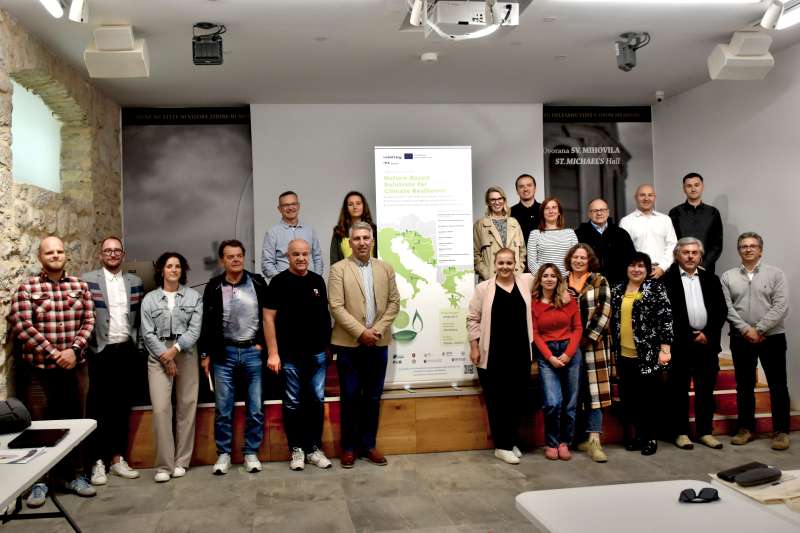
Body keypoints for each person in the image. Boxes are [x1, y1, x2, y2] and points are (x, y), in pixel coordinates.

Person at [10, 235, 96, 504]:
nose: (55, 255)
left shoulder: (80, 286)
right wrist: (54, 353)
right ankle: (40, 482)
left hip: (76, 368)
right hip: (39, 371)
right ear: (40, 258)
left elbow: (89, 320)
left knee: (77, 422)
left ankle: (76, 475)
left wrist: (74, 351)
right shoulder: (27, 288)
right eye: (50, 252)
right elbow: (22, 325)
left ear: (65, 255)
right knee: (39, 426)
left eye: (59, 251)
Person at [329, 222, 400, 468]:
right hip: (348, 345)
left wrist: (376, 331)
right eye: (357, 238)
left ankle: (368, 445)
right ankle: (349, 448)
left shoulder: (385, 268)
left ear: (372, 241)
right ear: (350, 242)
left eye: (365, 238)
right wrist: (361, 333)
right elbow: (336, 306)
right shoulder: (339, 269)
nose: (361, 242)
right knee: (350, 397)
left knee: (372, 397)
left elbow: (394, 302)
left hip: (378, 343)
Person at [198, 240, 268, 475]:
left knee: (255, 407)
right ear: (222, 261)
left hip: (252, 352)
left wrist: (262, 344)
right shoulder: (214, 286)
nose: (236, 259)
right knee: (224, 408)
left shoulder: (258, 282)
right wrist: (205, 354)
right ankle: (224, 454)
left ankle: (251, 453)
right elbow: (207, 323)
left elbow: (269, 317)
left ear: (243, 257)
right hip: (224, 354)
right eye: (230, 256)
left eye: (239, 255)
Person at [265, 239, 333, 471]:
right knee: (293, 403)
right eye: (296, 254)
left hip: (317, 355)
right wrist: (273, 353)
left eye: (305, 254)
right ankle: (297, 449)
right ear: (288, 256)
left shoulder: (317, 281)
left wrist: (327, 347)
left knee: (316, 401)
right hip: (290, 355)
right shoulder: (278, 282)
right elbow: (268, 319)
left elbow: (324, 316)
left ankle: (313, 449)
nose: (301, 258)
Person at [721, 232, 791, 450]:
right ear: (739, 250)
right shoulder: (728, 276)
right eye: (744, 246)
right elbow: (726, 308)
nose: (748, 249)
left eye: (753, 246)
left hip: (772, 337)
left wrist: (759, 329)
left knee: (778, 385)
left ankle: (781, 431)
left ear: (760, 250)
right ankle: (746, 429)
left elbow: (781, 306)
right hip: (740, 338)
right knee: (744, 385)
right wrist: (745, 330)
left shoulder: (775, 274)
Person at [83, 236, 143, 485]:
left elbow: (138, 318)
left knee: (122, 406)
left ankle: (118, 459)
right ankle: (98, 461)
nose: (113, 254)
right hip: (100, 351)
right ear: (101, 254)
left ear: (123, 254)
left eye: (117, 250)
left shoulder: (135, 282)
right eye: (108, 250)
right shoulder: (87, 280)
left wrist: (138, 345)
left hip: (126, 350)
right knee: (98, 407)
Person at [467, 248, 535, 465]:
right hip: (493, 354)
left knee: (517, 400)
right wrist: (474, 347)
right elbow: (472, 318)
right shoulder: (483, 288)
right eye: (501, 263)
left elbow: (550, 284)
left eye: (509, 263)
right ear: (494, 265)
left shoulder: (527, 282)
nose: (505, 267)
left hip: (520, 353)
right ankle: (501, 446)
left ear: (515, 264)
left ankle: (510, 440)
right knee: (497, 401)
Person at [140, 252, 203, 483]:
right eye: (169, 266)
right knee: (161, 409)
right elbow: (147, 333)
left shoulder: (194, 297)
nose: (173, 270)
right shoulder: (149, 299)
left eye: (177, 266)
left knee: (187, 406)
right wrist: (165, 357)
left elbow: (195, 330)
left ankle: (181, 462)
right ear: (161, 270)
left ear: (182, 270)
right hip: (158, 355)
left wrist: (175, 350)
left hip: (185, 353)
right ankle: (164, 465)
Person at [663, 237, 727, 451]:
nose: (690, 256)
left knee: (705, 390)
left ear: (700, 256)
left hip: (706, 345)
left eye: (694, 252)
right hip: (680, 345)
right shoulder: (666, 280)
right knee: (678, 391)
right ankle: (680, 432)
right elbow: (665, 314)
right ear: (677, 255)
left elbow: (721, 310)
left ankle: (705, 432)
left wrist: (707, 334)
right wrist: (687, 336)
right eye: (685, 252)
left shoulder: (711, 279)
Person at [610, 252, 674, 456]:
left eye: (641, 266)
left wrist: (665, 349)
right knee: (630, 398)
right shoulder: (617, 289)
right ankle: (637, 436)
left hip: (648, 354)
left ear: (647, 270)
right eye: (632, 265)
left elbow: (666, 318)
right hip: (623, 355)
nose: (636, 269)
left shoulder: (655, 288)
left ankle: (650, 437)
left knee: (649, 398)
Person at [564, 244, 612, 463]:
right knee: (574, 391)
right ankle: (574, 439)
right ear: (570, 259)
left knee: (595, 393)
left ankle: (594, 441)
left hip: (594, 344)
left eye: (583, 258)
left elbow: (605, 312)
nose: (579, 261)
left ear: (589, 260)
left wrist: (586, 337)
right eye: (575, 257)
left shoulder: (600, 281)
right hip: (568, 346)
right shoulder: (562, 281)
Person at [531, 263, 583, 461]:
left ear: (558, 279)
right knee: (553, 402)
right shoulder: (533, 303)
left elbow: (577, 328)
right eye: (545, 275)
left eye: (553, 275)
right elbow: (535, 333)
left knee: (570, 403)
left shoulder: (568, 300)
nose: (549, 279)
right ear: (540, 279)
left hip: (570, 352)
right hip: (547, 354)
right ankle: (551, 443)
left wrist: (568, 354)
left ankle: (564, 443)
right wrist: (549, 357)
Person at [261, 190, 324, 282]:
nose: (290, 208)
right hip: (284, 285)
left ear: (298, 206)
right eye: (286, 205)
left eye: (293, 204)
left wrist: (315, 280)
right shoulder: (272, 233)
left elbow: (317, 258)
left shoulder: (310, 231)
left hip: (309, 283)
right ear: (279, 209)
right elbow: (267, 263)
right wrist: (281, 282)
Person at [668, 173, 723, 274]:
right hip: (680, 268)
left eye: (696, 185)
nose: (693, 189)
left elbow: (717, 244)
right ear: (684, 189)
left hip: (706, 269)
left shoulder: (713, 212)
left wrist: (703, 264)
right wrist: (682, 262)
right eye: (689, 186)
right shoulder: (675, 212)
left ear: (702, 187)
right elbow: (672, 242)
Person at [619, 184, 677, 279]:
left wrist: (662, 267)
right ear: (635, 197)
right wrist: (638, 268)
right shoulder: (626, 222)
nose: (646, 198)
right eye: (642, 195)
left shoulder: (665, 220)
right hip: (637, 273)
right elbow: (624, 250)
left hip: (664, 272)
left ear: (654, 197)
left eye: (650, 195)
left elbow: (672, 245)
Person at [575, 198, 636, 285]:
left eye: (602, 210)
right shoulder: (579, 234)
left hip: (618, 284)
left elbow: (631, 260)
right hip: (588, 285)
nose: (599, 213)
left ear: (608, 212)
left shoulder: (621, 234)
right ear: (589, 214)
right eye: (595, 210)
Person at [473, 186, 526, 281]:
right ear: (488, 202)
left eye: (499, 199)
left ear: (504, 200)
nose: (497, 202)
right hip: (490, 278)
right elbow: (475, 253)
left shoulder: (514, 223)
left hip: (513, 277)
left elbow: (522, 251)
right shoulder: (480, 224)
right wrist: (485, 273)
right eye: (493, 200)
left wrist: (519, 269)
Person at [527, 197, 578, 277]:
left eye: (554, 207)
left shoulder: (570, 233)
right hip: (543, 281)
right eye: (547, 208)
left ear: (559, 212)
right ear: (542, 213)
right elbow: (531, 262)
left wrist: (564, 278)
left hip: (566, 280)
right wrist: (544, 277)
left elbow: (576, 258)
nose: (551, 211)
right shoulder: (535, 234)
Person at [330, 191, 378, 265]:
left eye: (358, 203)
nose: (355, 207)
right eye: (350, 204)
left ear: (364, 206)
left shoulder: (374, 230)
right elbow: (334, 259)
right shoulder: (339, 231)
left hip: (371, 271)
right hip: (346, 271)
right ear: (346, 208)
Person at [509, 173, 542, 249]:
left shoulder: (544, 210)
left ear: (535, 188)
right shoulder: (509, 212)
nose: (526, 189)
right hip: (518, 255)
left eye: (529, 185)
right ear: (517, 191)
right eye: (521, 186)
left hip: (542, 255)